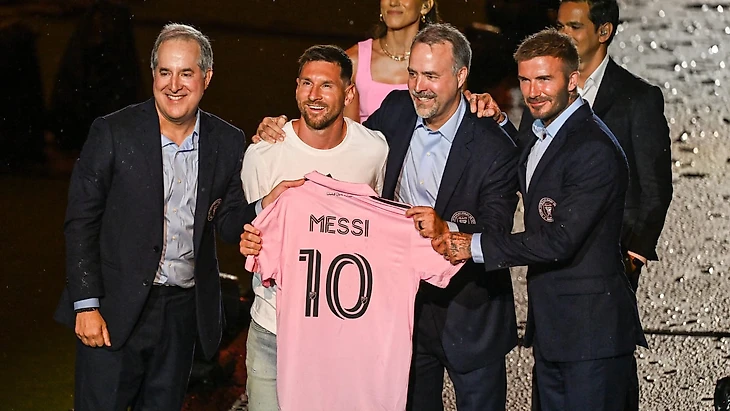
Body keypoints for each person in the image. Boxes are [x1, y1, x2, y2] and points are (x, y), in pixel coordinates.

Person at [244, 23, 520, 411]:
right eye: (413, 74)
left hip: (470, 315)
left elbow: (497, 232)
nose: (419, 86)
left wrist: (447, 229)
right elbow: (342, 144)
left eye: (431, 76)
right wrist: (284, 129)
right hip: (401, 317)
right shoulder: (396, 111)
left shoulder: (494, 145)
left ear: (461, 77)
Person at [53, 23, 297, 411]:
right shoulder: (113, 132)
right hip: (114, 311)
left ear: (206, 77)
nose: (174, 85)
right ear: (153, 74)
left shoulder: (227, 140)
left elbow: (228, 220)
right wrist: (86, 304)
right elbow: (81, 221)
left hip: (182, 315)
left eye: (186, 73)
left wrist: (264, 206)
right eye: (165, 72)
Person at [433, 28, 647, 411]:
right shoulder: (540, 130)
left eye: (545, 79)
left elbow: (559, 239)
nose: (533, 92)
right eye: (525, 80)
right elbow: (525, 167)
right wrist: (499, 121)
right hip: (554, 333)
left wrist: (473, 245)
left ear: (573, 80)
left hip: (592, 337)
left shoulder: (593, 149)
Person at [241, 44, 389, 411]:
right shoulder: (262, 155)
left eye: (326, 85)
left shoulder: (374, 151)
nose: (314, 95)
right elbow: (252, 230)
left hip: (342, 335)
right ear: (296, 88)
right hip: (273, 330)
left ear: (348, 93)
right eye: (307, 83)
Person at [345, 0, 440, 122]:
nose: (393, 3)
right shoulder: (354, 61)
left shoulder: (442, 61)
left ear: (425, 6)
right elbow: (348, 131)